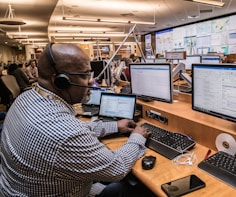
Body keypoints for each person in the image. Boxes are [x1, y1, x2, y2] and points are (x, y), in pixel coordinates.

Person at [0, 43, 154, 197]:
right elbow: (117, 168)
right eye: (84, 75)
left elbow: (73, 129)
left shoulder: (25, 98)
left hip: (21, 188)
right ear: (60, 81)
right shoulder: (66, 133)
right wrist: (137, 137)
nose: (91, 82)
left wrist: (115, 126)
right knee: (131, 188)